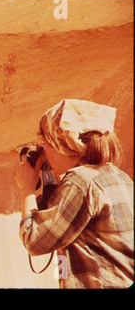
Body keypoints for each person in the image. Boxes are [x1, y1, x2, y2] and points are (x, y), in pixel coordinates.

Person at [15, 99, 134, 288]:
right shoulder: (118, 176)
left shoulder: (81, 182)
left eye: (47, 143)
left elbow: (35, 241)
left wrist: (27, 189)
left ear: (63, 144)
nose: (45, 151)